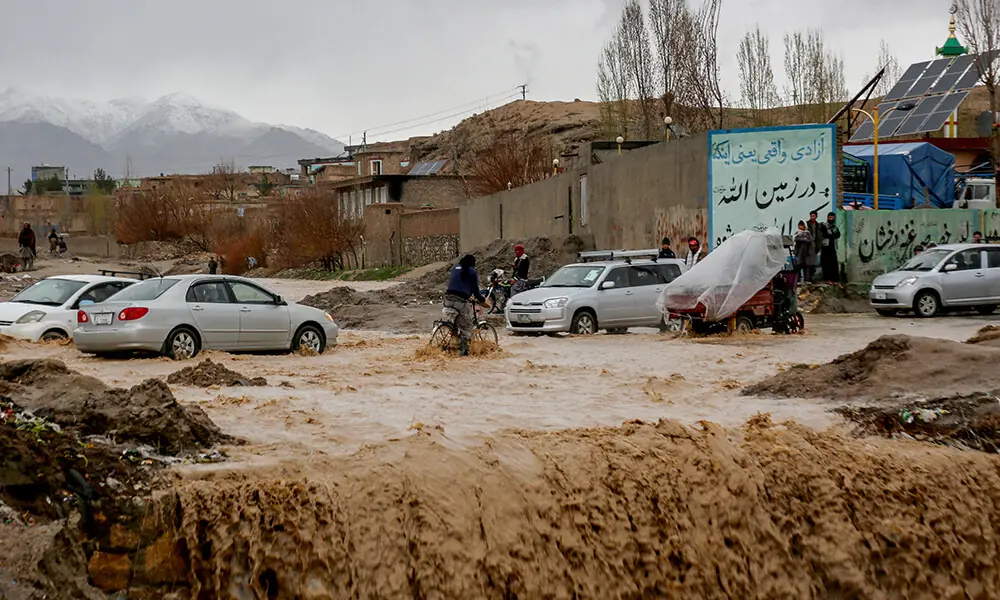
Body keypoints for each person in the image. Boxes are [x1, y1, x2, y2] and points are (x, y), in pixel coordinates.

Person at [444, 254, 486, 356]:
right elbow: (476, 291)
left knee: (456, 322)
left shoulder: (455, 268)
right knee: (467, 327)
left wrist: (467, 295)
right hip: (460, 302)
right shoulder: (472, 272)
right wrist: (482, 299)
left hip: (447, 299)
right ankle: (464, 351)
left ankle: (453, 340)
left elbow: (457, 285)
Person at [819, 212, 841, 283]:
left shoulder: (835, 227)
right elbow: (824, 234)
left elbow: (838, 235)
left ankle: (835, 280)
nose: (831, 219)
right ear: (828, 218)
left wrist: (831, 235)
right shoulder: (824, 225)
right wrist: (832, 235)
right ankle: (827, 279)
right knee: (826, 264)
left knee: (833, 263)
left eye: (832, 217)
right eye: (830, 217)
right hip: (825, 247)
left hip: (832, 246)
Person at [806, 211, 822, 281]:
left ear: (816, 217)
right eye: (811, 216)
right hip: (807, 245)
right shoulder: (806, 224)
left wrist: (819, 246)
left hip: (815, 245)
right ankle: (808, 278)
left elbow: (819, 236)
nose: (812, 217)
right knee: (807, 262)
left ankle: (811, 277)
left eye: (813, 216)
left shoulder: (818, 225)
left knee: (813, 263)